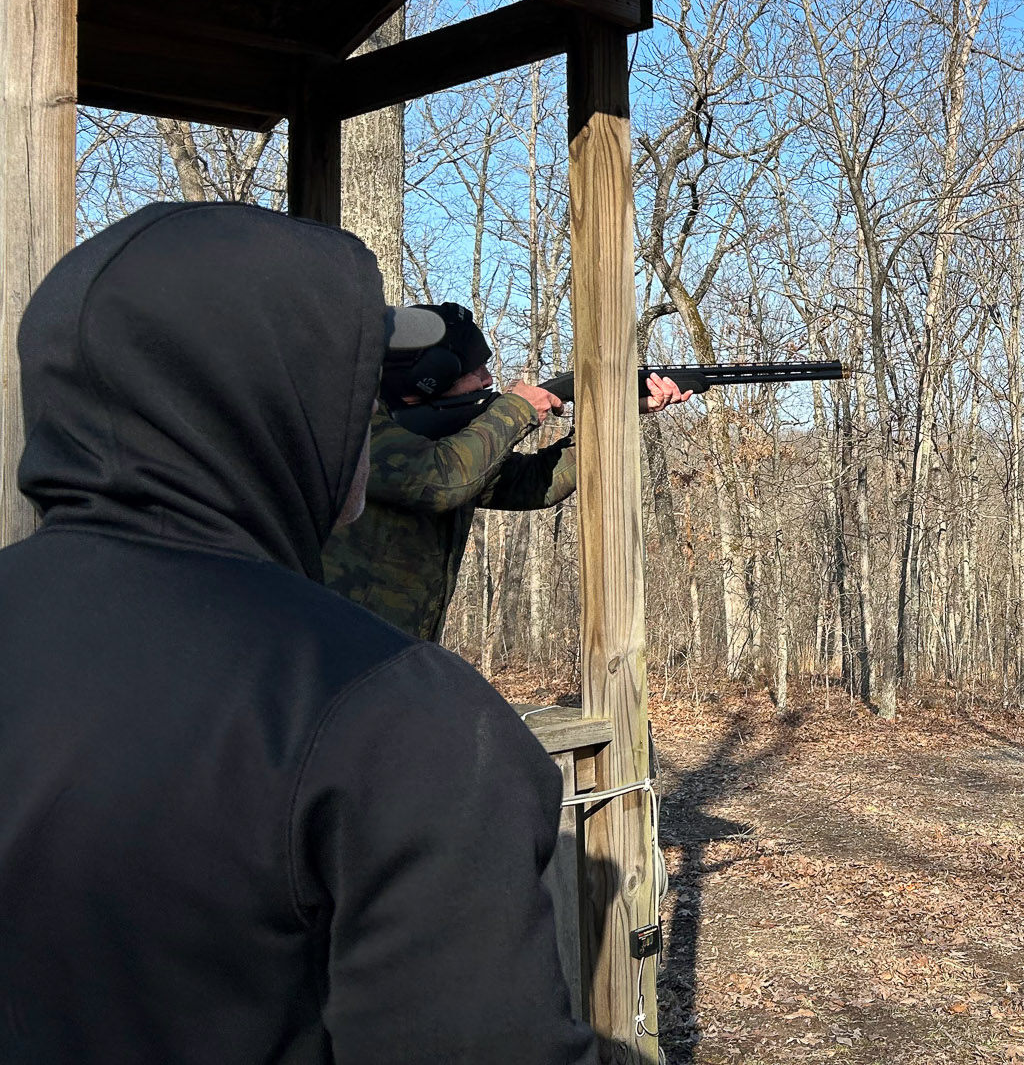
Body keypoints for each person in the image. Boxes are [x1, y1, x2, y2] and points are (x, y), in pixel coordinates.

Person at [0, 203, 594, 1063]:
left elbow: (520, 483)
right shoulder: (401, 723)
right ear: (277, 402)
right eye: (345, 385)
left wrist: (613, 423)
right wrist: (520, 407)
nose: (361, 413)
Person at [320, 301, 689, 641]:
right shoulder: (351, 427)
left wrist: (614, 413)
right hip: (332, 648)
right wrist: (517, 409)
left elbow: (535, 483)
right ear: (431, 374)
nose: (487, 379)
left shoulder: (440, 441)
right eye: (475, 370)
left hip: (395, 652)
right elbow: (441, 480)